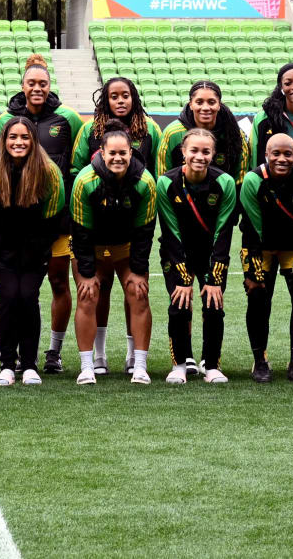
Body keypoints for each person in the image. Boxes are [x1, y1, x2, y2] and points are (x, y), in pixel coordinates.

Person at [69, 77, 162, 375]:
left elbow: (145, 228)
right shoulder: (89, 145)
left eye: (126, 95)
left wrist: (138, 267)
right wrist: (85, 271)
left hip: (129, 231)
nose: (120, 101)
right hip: (94, 233)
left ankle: (137, 360)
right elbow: (80, 228)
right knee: (94, 291)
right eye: (114, 96)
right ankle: (95, 358)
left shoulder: (149, 135)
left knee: (136, 289)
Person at [0, 55, 84, 374]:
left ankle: (54, 352)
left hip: (58, 221)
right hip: (18, 222)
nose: (37, 88)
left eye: (43, 84)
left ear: (50, 87)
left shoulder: (68, 119)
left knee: (59, 282)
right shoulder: (6, 119)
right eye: (32, 83)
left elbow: (76, 165)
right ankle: (14, 352)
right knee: (17, 287)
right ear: (22, 86)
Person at [0, 119, 65, 386]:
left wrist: (34, 249)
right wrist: (1, 245)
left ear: (33, 140)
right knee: (9, 296)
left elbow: (53, 219)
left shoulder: (48, 171)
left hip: (35, 251)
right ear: (4, 140)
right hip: (2, 250)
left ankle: (28, 365)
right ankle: (6, 365)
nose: (19, 142)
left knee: (28, 297)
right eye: (13, 137)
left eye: (25, 137)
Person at [237, 132, 293, 383]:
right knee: (258, 297)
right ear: (266, 155)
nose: (282, 159)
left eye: (288, 154)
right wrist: (254, 272)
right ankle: (260, 361)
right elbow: (251, 227)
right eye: (276, 153)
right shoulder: (253, 180)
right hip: (260, 247)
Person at [156, 129, 238, 384]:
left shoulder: (225, 183)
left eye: (206, 151)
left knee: (214, 306)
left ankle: (211, 365)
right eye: (194, 150)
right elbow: (170, 231)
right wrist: (183, 277)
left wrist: (214, 278)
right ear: (183, 152)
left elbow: (224, 233)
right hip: (176, 252)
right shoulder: (166, 183)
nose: (199, 156)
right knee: (179, 306)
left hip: (211, 255)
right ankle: (180, 364)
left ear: (213, 154)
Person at [159, 80, 251, 178]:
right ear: (191, 104)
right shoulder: (173, 133)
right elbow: (163, 177)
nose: (206, 107)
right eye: (199, 102)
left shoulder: (234, 133)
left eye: (211, 102)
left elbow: (241, 178)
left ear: (219, 104)